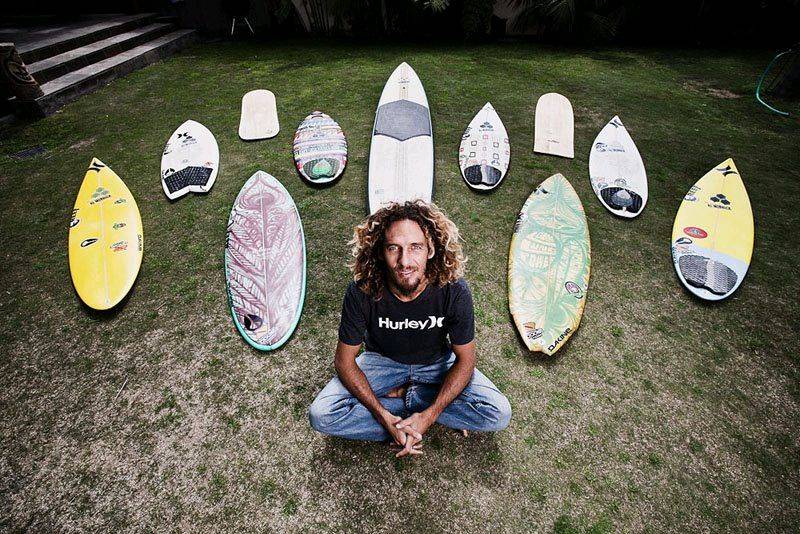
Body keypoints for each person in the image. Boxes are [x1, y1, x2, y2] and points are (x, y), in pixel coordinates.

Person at [308, 200, 511, 458]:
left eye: (415, 247)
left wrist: (430, 414)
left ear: (430, 250)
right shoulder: (362, 291)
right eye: (394, 248)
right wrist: (383, 416)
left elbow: (466, 359)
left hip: (436, 363)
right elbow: (344, 362)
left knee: (498, 413)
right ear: (381, 252)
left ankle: (411, 402)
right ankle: (408, 419)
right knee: (322, 414)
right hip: (382, 362)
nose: (405, 261)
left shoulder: (454, 289)